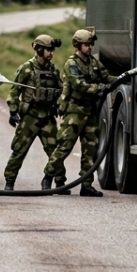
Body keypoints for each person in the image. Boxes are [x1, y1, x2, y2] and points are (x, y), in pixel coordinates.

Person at [48, 27, 116, 196]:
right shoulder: (71, 64)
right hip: (74, 112)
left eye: (91, 44)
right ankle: (48, 177)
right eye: (86, 45)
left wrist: (121, 79)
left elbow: (107, 77)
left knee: (90, 150)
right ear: (78, 46)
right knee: (64, 147)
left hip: (90, 113)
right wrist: (99, 88)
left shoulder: (93, 62)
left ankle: (86, 185)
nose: (90, 47)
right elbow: (79, 85)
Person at [3, 34, 63, 191]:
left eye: (52, 50)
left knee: (55, 151)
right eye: (48, 50)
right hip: (30, 117)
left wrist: (60, 105)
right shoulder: (27, 68)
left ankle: (58, 181)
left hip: (48, 117)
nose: (51, 53)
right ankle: (9, 182)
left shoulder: (54, 71)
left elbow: (62, 91)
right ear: (39, 49)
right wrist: (13, 110)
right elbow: (15, 90)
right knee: (19, 150)